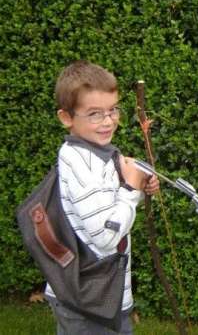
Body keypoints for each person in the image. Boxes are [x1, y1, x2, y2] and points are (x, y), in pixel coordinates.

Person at [45, 60, 159, 334]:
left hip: (102, 292)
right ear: (66, 117)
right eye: (95, 114)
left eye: (113, 110)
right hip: (88, 302)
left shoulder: (97, 152)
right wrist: (131, 190)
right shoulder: (81, 163)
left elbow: (108, 201)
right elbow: (106, 235)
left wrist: (136, 185)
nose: (108, 121)